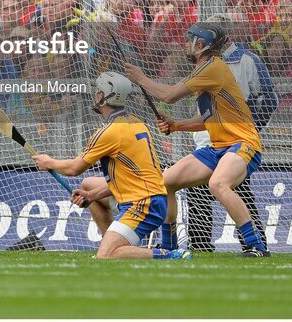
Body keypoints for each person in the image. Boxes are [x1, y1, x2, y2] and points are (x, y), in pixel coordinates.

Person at [125, 22, 270, 257]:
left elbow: (169, 95)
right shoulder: (206, 69)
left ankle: (256, 246)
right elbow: (209, 118)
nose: (184, 44)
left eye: (188, 40)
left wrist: (141, 78)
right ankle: (169, 246)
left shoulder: (211, 68)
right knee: (165, 182)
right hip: (218, 147)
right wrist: (177, 125)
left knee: (218, 184)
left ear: (199, 45)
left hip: (243, 143)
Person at [32, 72, 191, 260]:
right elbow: (129, 177)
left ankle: (169, 254)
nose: (96, 94)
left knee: (105, 256)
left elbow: (75, 168)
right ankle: (115, 241)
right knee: (89, 184)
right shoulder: (136, 122)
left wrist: (48, 162)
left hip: (142, 204)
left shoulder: (109, 132)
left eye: (98, 91)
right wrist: (91, 196)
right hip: (152, 199)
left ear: (103, 96)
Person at [183, 14, 274, 253]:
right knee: (198, 194)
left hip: (236, 143)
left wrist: (250, 128)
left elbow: (269, 99)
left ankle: (254, 243)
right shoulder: (200, 62)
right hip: (206, 140)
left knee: (238, 191)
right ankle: (200, 244)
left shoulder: (247, 60)